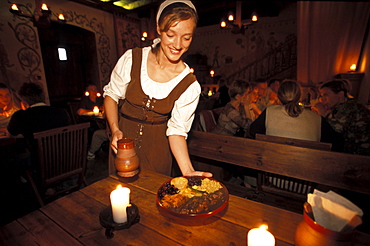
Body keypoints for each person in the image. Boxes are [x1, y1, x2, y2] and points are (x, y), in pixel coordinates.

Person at [103, 0, 211, 177]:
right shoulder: (132, 59)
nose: (178, 45)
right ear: (159, 29)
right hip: (123, 147)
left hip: (158, 154)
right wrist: (115, 129)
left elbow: (177, 131)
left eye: (186, 37)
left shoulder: (189, 85)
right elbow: (112, 95)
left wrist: (188, 170)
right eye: (170, 34)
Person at [250, 80, 343, 150]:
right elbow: (337, 143)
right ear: (300, 96)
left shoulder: (269, 111)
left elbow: (252, 132)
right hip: (305, 172)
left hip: (273, 170)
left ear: (279, 96)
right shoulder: (316, 118)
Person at [311, 79, 370, 155]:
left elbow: (336, 129)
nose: (322, 99)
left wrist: (323, 113)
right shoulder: (340, 106)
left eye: (326, 95)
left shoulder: (350, 106)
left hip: (360, 153)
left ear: (340, 94)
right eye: (322, 95)